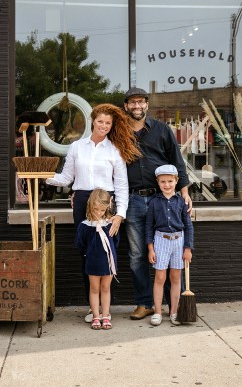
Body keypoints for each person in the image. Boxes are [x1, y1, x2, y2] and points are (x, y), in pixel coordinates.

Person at [46, 103, 141, 322]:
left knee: (107, 253)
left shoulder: (115, 150)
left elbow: (122, 185)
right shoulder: (77, 147)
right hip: (82, 202)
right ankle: (93, 309)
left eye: (108, 123)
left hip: (106, 203)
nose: (104, 126)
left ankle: (105, 311)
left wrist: (120, 214)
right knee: (87, 253)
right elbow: (65, 178)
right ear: (92, 121)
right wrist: (41, 176)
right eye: (101, 122)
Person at [123, 87, 192, 320]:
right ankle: (145, 304)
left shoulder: (162, 130)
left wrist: (184, 192)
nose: (137, 106)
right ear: (126, 106)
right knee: (137, 255)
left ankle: (174, 305)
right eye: (132, 102)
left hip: (161, 199)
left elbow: (177, 161)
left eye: (141, 102)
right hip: (132, 200)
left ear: (147, 105)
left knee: (171, 252)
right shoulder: (120, 132)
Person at [146, 165, 194, 326]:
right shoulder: (153, 202)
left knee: (175, 278)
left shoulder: (181, 202)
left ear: (176, 181)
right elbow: (148, 227)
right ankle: (158, 312)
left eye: (170, 181)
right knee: (160, 277)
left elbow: (188, 226)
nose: (167, 185)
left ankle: (174, 311)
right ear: (158, 183)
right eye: (163, 182)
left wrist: (187, 249)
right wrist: (150, 248)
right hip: (161, 240)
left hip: (178, 242)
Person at [75, 189, 119, 330]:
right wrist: (89, 254)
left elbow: (116, 242)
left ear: (107, 208)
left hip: (108, 261)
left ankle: (105, 316)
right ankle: (95, 316)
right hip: (92, 262)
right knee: (94, 288)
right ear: (90, 206)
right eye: (95, 209)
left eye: (102, 210)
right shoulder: (85, 226)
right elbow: (80, 243)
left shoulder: (110, 225)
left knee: (106, 288)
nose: (98, 213)